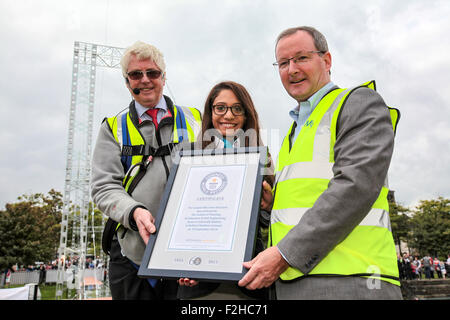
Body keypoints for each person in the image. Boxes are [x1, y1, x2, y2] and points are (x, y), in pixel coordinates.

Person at [238, 26, 402, 299]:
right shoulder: (294, 131)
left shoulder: (358, 103)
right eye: (283, 63)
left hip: (351, 279)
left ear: (326, 61)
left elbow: (355, 186)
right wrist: (272, 203)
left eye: (301, 58)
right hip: (291, 281)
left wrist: (283, 254)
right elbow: (307, 197)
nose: (291, 69)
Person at [91, 41, 202, 300]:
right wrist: (134, 212)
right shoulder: (113, 127)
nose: (145, 80)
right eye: (135, 74)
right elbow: (103, 186)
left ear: (164, 77)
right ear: (127, 82)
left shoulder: (195, 118)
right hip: (132, 254)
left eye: (152, 73)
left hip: (186, 251)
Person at [177, 81, 274, 299]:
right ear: (210, 112)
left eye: (236, 108)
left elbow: (268, 225)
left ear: (246, 114)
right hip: (200, 279)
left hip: (248, 276)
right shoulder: (189, 157)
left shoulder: (263, 157)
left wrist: (268, 208)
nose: (228, 115)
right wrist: (182, 262)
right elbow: (183, 218)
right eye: (220, 108)